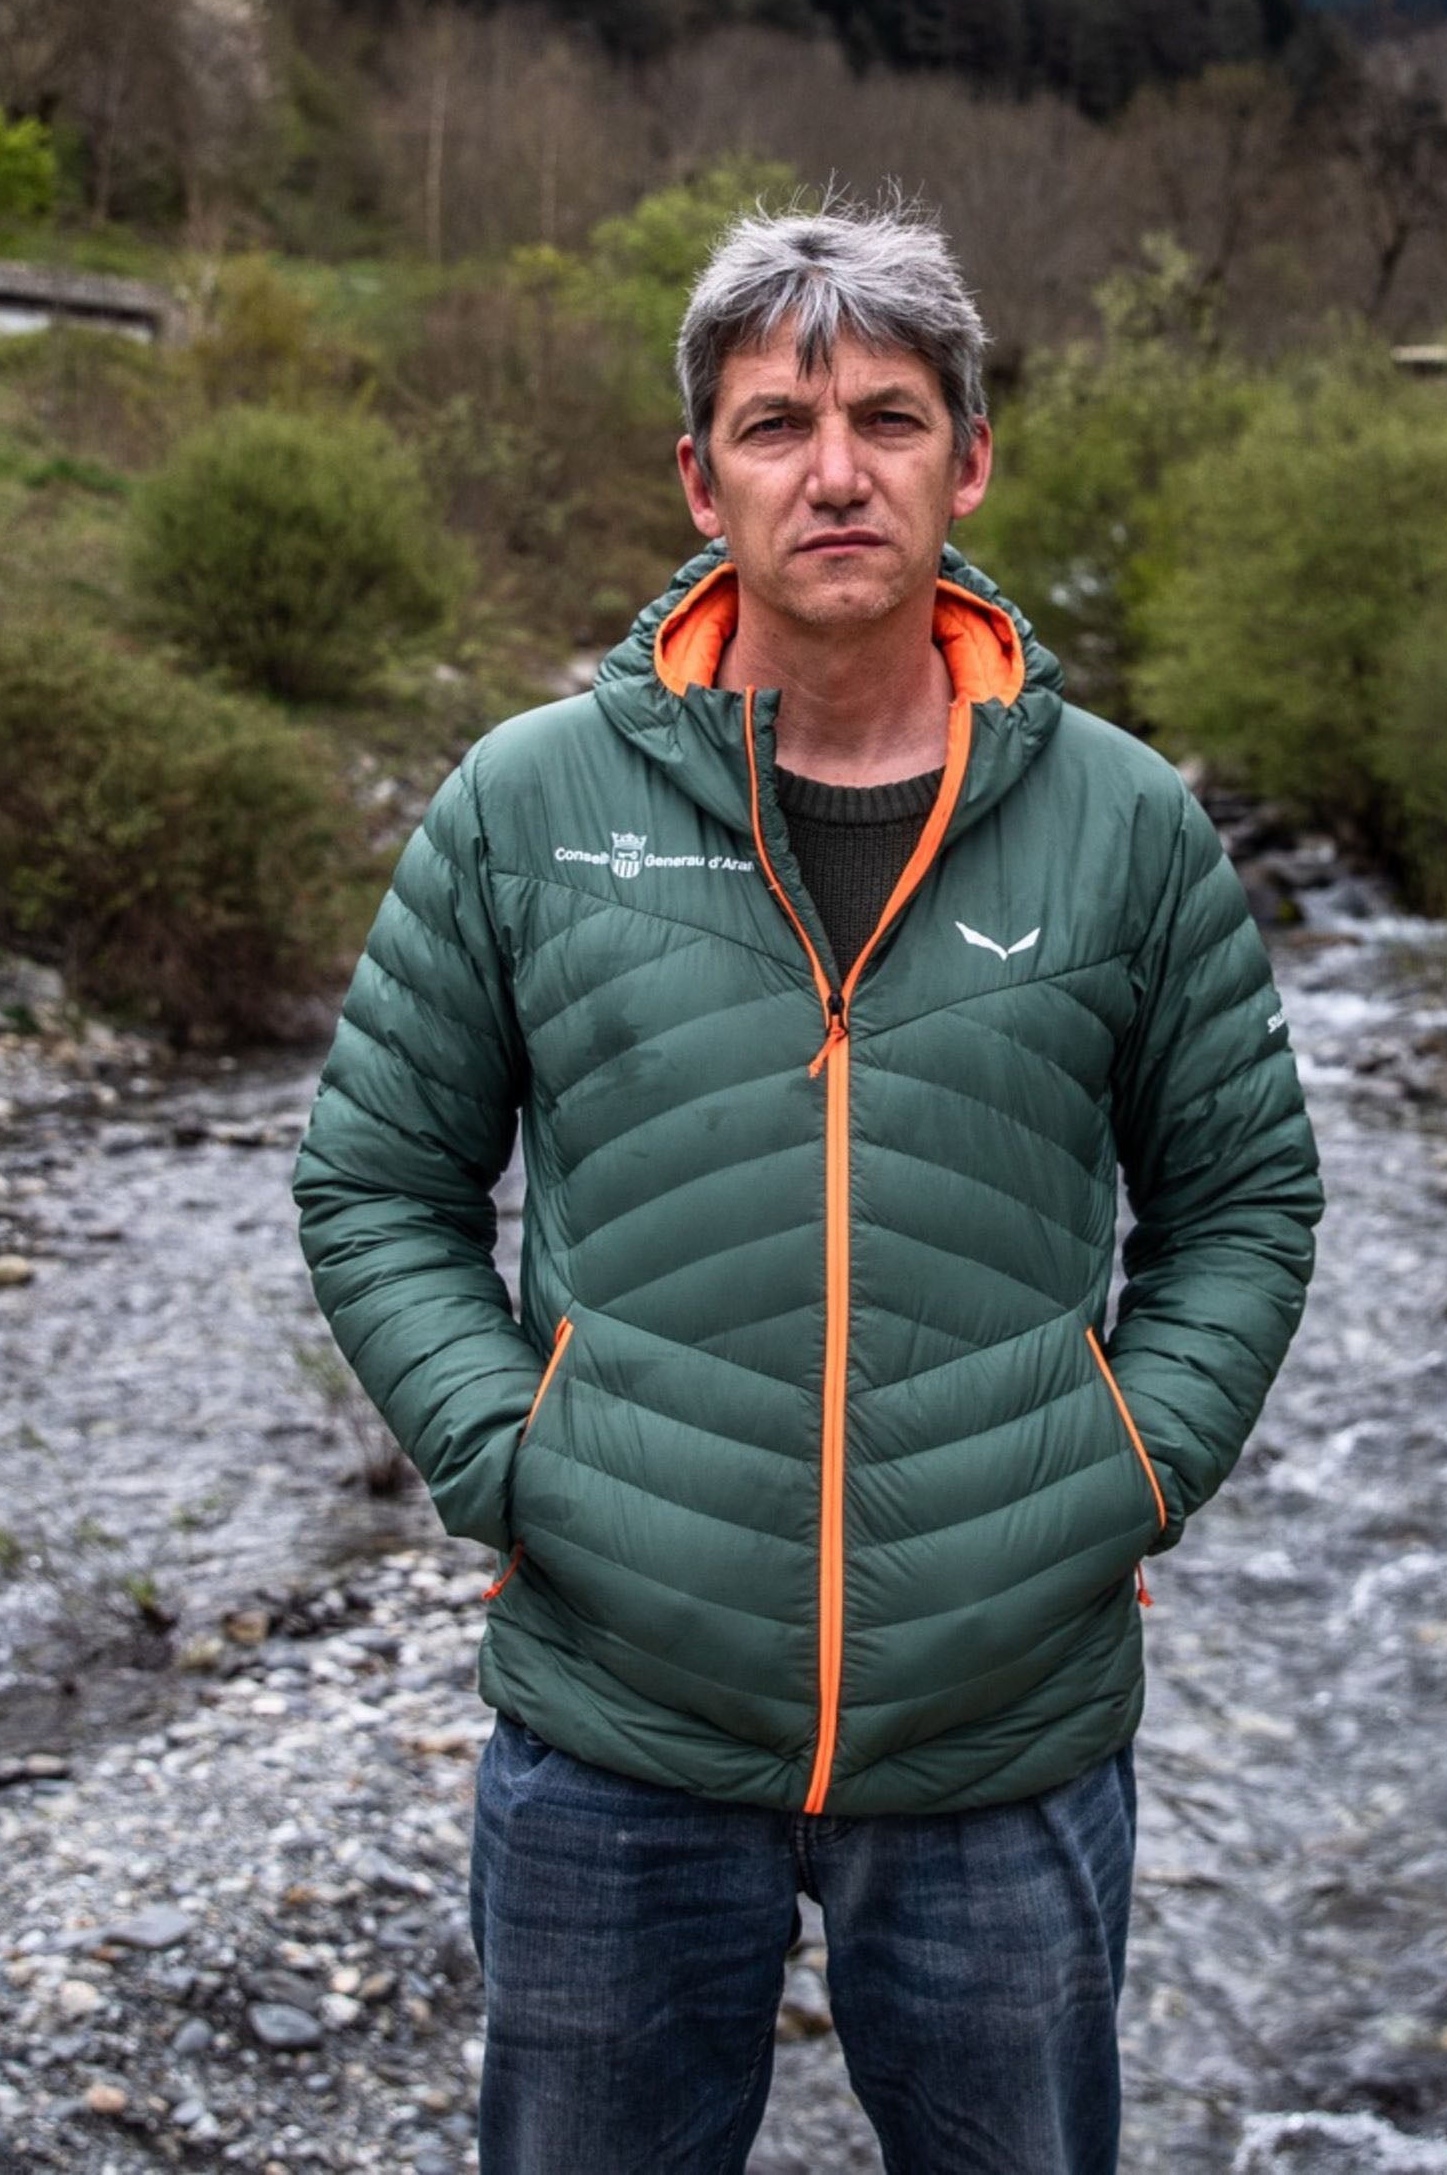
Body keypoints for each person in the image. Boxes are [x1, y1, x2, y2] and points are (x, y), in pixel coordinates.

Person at [292, 202, 1321, 2174]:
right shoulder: (527, 805)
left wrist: (1128, 1465)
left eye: (888, 416)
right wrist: (516, 1460)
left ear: (970, 457)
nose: (835, 469)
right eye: (777, 423)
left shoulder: (1127, 824)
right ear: (700, 474)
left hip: (1001, 1736)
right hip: (615, 1731)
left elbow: (1246, 1202)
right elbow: (376, 1179)